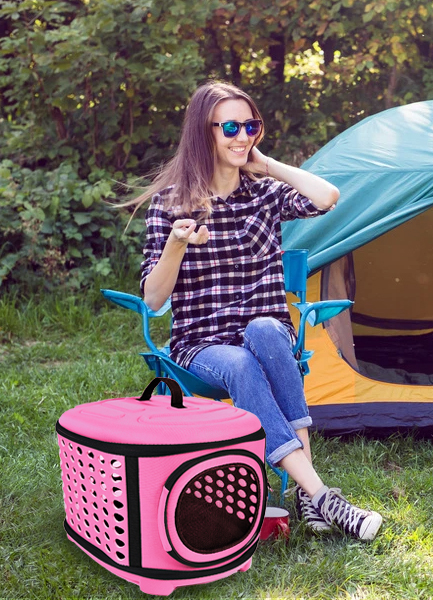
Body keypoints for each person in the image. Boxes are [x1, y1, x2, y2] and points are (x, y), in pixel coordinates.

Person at [129, 81, 382, 541]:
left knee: (265, 330)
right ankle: (321, 496)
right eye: (230, 126)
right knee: (243, 361)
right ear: (202, 133)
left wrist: (267, 165)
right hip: (201, 343)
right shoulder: (169, 204)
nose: (242, 136)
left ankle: (310, 494)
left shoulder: (263, 192)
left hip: (267, 332)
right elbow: (153, 299)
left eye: (251, 125)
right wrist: (177, 243)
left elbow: (327, 197)